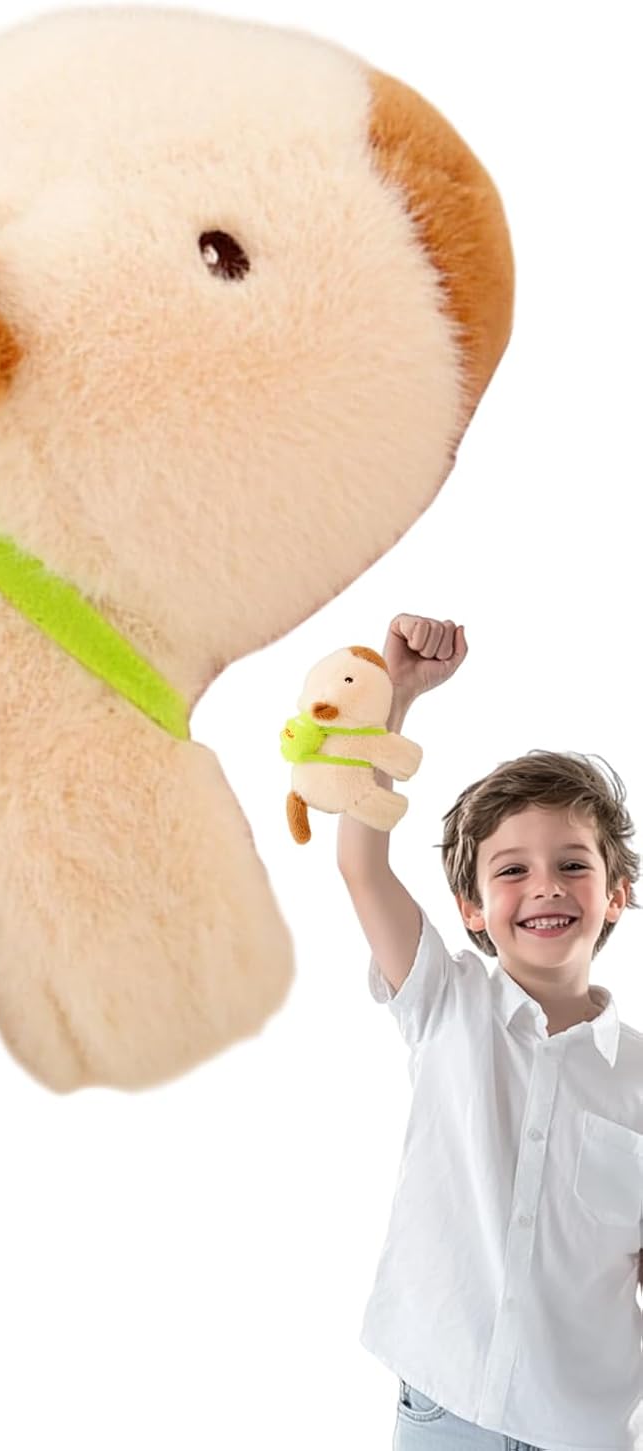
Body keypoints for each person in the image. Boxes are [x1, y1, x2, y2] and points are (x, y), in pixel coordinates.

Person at [336, 614, 643, 1451]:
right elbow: (361, 862)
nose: (546, 886)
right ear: (472, 908)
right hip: (444, 1414)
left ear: (616, 893)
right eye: (512, 869)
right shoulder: (445, 1000)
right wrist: (396, 697)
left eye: (574, 863)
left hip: (583, 1429)